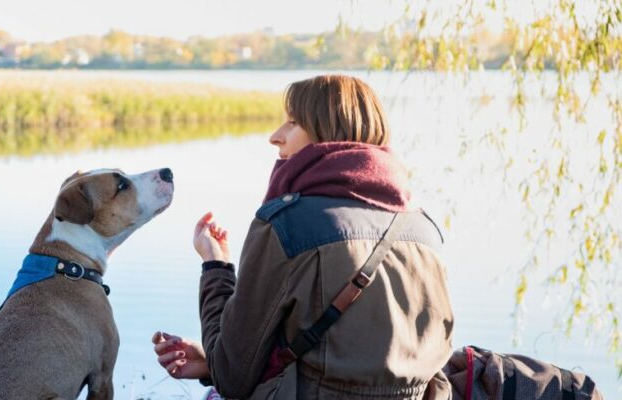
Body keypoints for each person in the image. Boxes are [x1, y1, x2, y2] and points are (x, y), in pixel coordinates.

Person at [152, 75, 454, 399]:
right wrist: (210, 362)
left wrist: (216, 266)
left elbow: (231, 376)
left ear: (328, 131)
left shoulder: (287, 225)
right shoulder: (424, 229)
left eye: (293, 123)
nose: (275, 137)